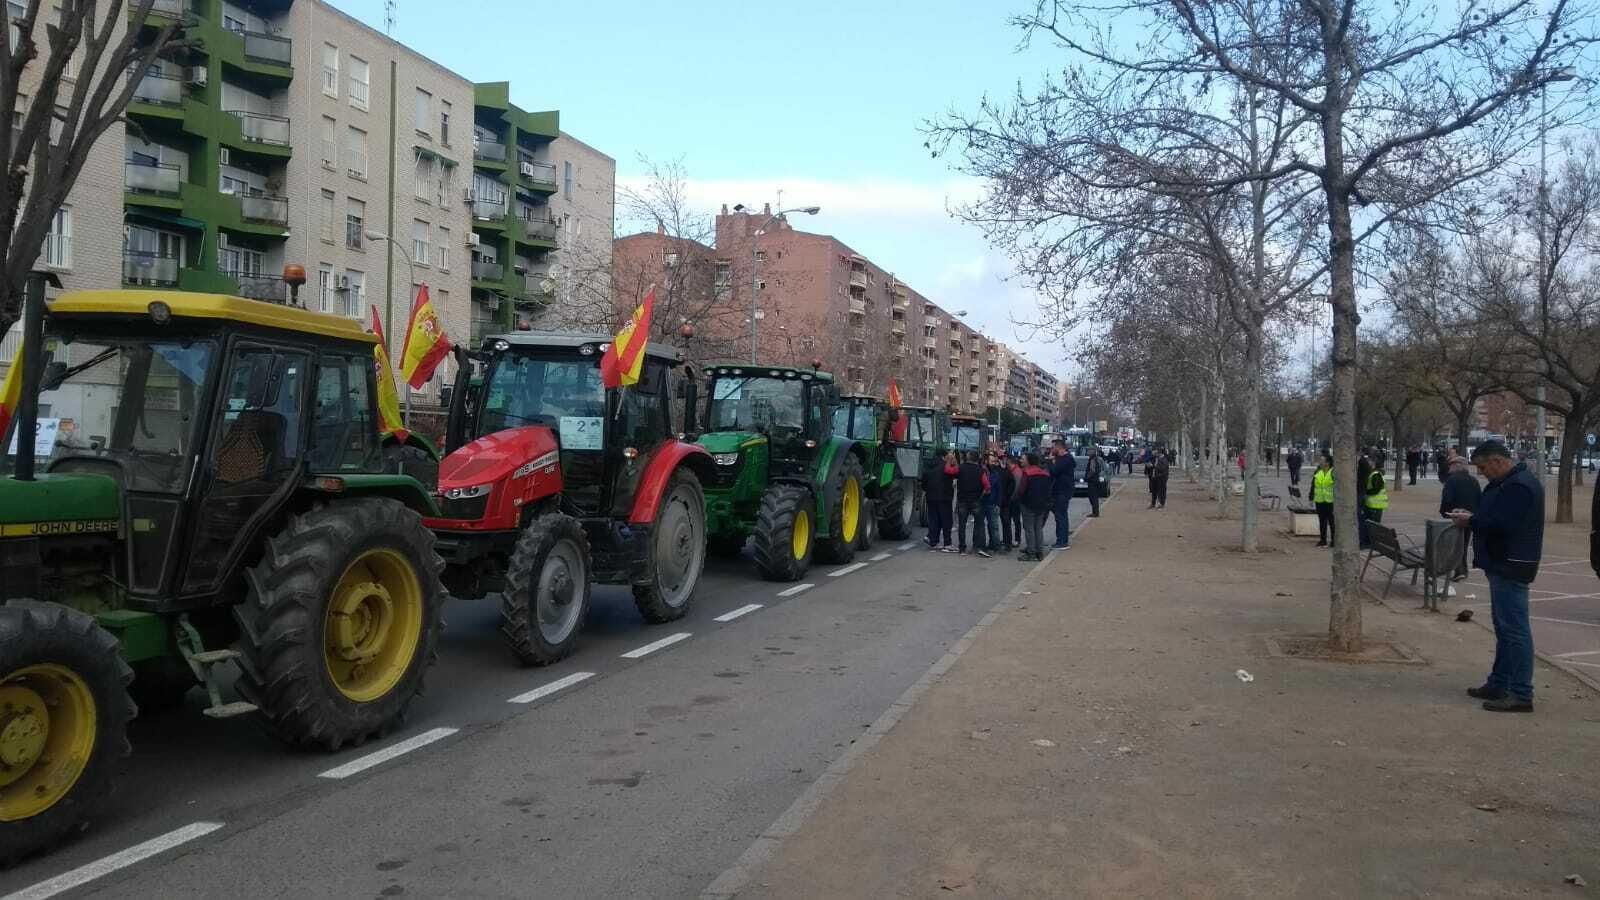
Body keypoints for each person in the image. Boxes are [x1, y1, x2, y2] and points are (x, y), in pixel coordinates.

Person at [1447, 441, 1543, 713]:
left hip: (1511, 563)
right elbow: (1497, 517)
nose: (1481, 473)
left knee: (1515, 631)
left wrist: (1471, 521)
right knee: (1505, 629)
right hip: (1504, 562)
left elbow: (1505, 524)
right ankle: (1500, 682)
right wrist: (1475, 517)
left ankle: (1521, 692)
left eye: (1483, 467)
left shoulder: (1519, 486)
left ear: (1498, 462)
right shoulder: (1511, 483)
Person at [1440, 455, 1481, 582]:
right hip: (1470, 517)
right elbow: (1479, 499)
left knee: (1455, 544)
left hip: (1455, 515)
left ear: (1458, 466)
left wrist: (1444, 512)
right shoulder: (1473, 480)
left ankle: (1459, 570)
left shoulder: (1452, 480)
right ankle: (1461, 570)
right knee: (1463, 542)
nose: (1450, 467)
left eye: (1452, 465)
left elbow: (1447, 499)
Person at [1016, 451, 1053, 561]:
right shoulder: (1044, 473)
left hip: (1028, 504)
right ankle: (1039, 551)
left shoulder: (1027, 473)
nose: (1020, 460)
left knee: (1029, 529)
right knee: (1038, 528)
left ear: (1028, 461)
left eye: (1023, 459)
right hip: (1041, 504)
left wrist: (1019, 499)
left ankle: (1031, 553)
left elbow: (1022, 490)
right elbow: (1048, 489)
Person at [924, 450, 958, 552]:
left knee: (934, 519)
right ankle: (947, 543)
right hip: (944, 497)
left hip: (930, 497)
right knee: (946, 520)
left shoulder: (928, 465)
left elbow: (923, 482)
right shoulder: (946, 466)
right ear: (944, 456)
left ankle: (933, 542)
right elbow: (955, 474)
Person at [1048, 439, 1076, 549]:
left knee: (1060, 515)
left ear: (1059, 447)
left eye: (1053, 447)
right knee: (1061, 515)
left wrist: (1051, 461)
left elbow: (1054, 471)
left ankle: (1062, 541)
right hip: (1061, 490)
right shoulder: (1063, 459)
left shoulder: (1065, 459)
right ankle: (1062, 538)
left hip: (1062, 491)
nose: (1051, 449)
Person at [981, 452, 1006, 554]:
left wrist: (998, 504)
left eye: (994, 461)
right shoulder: (981, 472)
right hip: (982, 503)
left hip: (992, 503)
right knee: (983, 526)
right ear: (986, 461)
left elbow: (999, 490)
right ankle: (987, 544)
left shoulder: (996, 474)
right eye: (991, 461)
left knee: (993, 526)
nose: (993, 463)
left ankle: (996, 545)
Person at [1312, 452, 1335, 547]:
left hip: (1331, 501)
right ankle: (1323, 540)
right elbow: (1314, 485)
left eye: (1322, 461)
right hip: (1320, 501)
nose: (1320, 462)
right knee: (1322, 522)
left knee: (1332, 522)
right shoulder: (1318, 472)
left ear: (1327, 463)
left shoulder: (1333, 472)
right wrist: (1311, 496)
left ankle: (1334, 540)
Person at [1084, 447, 1105, 517]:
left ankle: (1095, 512)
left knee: (1093, 497)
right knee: (1094, 497)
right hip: (1096, 480)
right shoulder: (1096, 459)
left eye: (1089, 451)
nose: (1088, 452)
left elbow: (1092, 470)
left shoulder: (1092, 459)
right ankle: (1095, 512)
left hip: (1093, 481)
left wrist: (1087, 477)